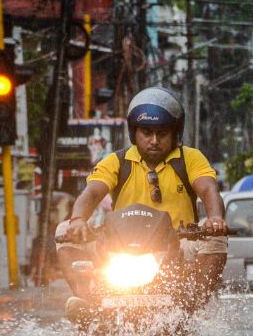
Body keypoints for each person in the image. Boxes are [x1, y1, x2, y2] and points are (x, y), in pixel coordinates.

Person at [61, 87, 228, 311]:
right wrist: (78, 220)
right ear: (134, 133)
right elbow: (91, 192)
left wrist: (215, 218)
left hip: (179, 246)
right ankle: (89, 306)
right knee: (64, 231)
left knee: (217, 239)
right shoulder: (116, 162)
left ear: (175, 134)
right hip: (121, 250)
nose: (154, 141)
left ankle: (192, 309)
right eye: (146, 132)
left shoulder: (191, 158)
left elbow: (208, 189)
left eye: (162, 134)